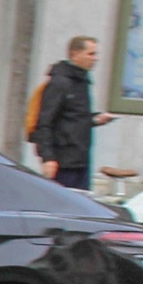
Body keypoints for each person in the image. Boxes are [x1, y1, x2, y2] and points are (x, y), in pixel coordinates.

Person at [31, 35, 115, 190]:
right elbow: (44, 122)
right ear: (75, 54)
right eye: (91, 54)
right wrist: (48, 158)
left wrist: (95, 120)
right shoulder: (60, 82)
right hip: (62, 160)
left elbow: (75, 118)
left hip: (81, 157)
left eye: (95, 54)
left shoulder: (82, 81)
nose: (96, 59)